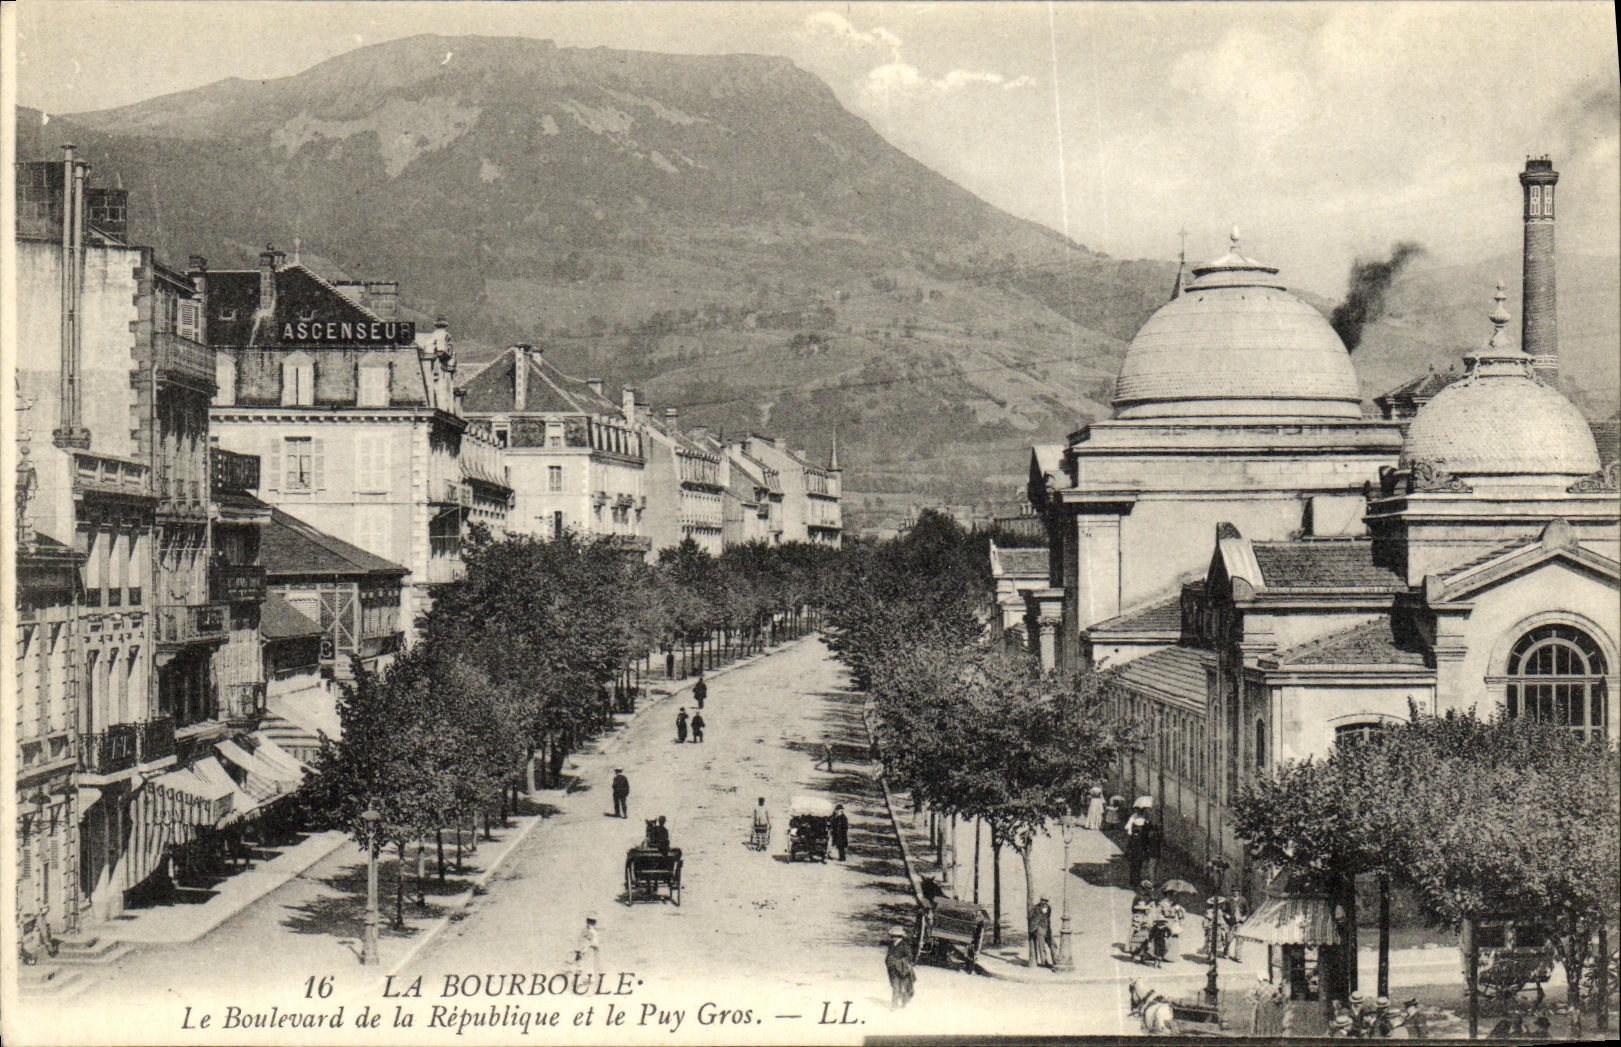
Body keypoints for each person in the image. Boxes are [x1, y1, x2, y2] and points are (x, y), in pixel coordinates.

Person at [885, 926, 916, 1008]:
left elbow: (909, 957)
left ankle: (902, 1003)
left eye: (894, 936)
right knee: (895, 987)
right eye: (892, 936)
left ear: (899, 936)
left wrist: (898, 961)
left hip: (903, 970)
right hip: (893, 970)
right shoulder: (892, 945)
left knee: (905, 988)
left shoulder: (905, 945)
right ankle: (895, 1004)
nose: (892, 937)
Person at [1028, 897, 1055, 968]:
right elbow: (1030, 916)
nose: (1045, 902)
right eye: (1043, 901)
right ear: (1040, 901)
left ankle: (1056, 961)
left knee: (1053, 944)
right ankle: (1045, 962)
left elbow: (1048, 917)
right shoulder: (1035, 908)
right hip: (1039, 928)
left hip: (1047, 928)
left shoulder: (1048, 908)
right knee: (1042, 945)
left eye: (1046, 901)